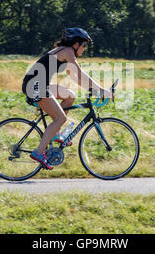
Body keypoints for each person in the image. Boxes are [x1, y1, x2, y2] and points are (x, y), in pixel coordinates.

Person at [21, 28, 113, 170]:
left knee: (70, 95)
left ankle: (55, 134)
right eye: (84, 45)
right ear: (75, 44)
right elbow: (81, 75)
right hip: (35, 85)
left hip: (37, 83)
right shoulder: (68, 52)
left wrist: (94, 90)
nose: (84, 49)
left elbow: (76, 77)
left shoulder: (63, 51)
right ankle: (38, 152)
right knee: (60, 118)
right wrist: (102, 90)